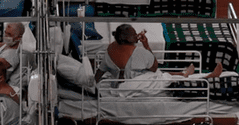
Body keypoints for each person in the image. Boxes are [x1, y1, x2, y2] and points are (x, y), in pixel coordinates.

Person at [95, 24, 223, 83]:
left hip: (121, 84)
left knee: (157, 74)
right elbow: (155, 66)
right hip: (134, 85)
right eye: (134, 34)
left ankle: (183, 73)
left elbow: (100, 71)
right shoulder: (138, 52)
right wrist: (146, 46)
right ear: (128, 39)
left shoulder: (110, 49)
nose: (137, 35)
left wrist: (93, 85)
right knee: (163, 78)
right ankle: (206, 78)